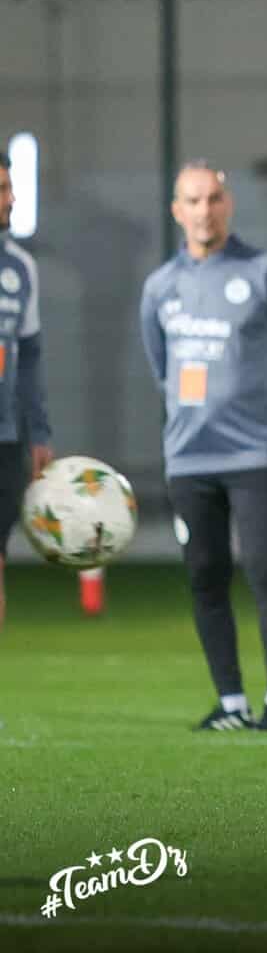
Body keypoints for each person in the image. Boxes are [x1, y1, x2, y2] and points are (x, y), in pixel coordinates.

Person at [140, 162, 267, 732]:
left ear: (228, 204)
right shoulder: (160, 288)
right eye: (193, 200)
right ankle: (231, 703)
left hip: (254, 457)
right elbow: (161, 368)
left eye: (214, 198)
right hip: (189, 461)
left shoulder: (265, 273)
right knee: (205, 577)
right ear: (177, 210)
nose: (204, 210)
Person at [0, 151, 54, 631]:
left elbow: (30, 356)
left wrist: (39, 432)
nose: (11, 199)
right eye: (1, 189)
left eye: (9, 187)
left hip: (5, 437)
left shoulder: (21, 268)